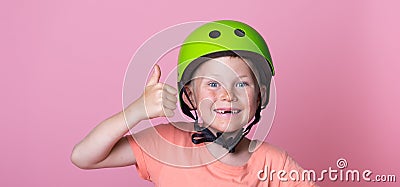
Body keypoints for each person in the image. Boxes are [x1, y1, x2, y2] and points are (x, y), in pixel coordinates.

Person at [71, 20, 317, 186]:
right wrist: (136, 112)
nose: (227, 95)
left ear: (260, 96)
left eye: (242, 84)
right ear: (189, 96)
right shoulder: (165, 142)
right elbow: (84, 157)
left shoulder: (273, 162)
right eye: (212, 84)